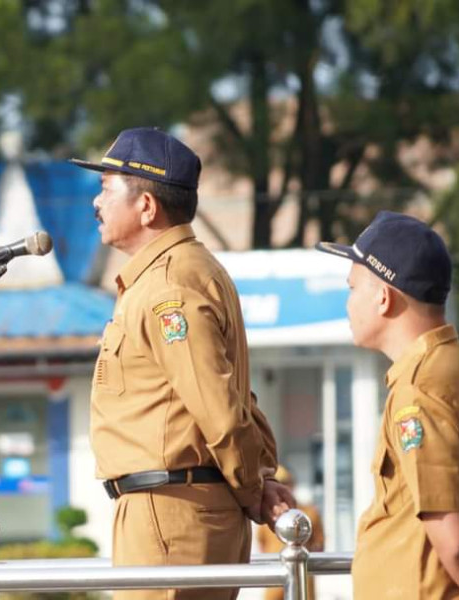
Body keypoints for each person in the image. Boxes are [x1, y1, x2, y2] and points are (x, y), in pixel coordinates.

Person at [72, 127, 294, 600]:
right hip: (177, 509)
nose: (96, 203)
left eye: (107, 189)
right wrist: (258, 479)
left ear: (147, 206)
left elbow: (218, 409)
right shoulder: (188, 271)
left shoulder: (167, 287)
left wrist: (255, 488)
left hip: (170, 513)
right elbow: (232, 399)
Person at [316, 211, 459, 599]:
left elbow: (454, 539)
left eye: (353, 288)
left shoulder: (420, 388)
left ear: (383, 298)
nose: (348, 304)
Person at [255, 465, 324, 600]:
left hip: (302, 573)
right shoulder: (267, 516)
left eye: (285, 483)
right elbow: (261, 543)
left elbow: (320, 544)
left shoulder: (309, 512)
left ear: (293, 485)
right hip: (275, 573)